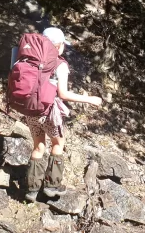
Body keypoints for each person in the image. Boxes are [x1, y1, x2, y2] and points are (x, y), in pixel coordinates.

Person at [24, 26, 102, 201]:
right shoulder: (59, 64)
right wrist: (90, 99)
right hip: (48, 112)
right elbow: (63, 94)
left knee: (38, 146)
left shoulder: (29, 59)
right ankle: (52, 186)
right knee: (58, 144)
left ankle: (31, 190)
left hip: (30, 110)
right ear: (58, 46)